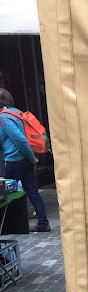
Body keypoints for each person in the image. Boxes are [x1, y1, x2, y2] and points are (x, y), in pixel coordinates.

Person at [0, 88, 51, 232]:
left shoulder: (4, 117)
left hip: (15, 160)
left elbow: (20, 139)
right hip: (24, 160)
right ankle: (43, 223)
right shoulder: (16, 113)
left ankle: (6, 226)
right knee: (32, 191)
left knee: (3, 193)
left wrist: (32, 158)